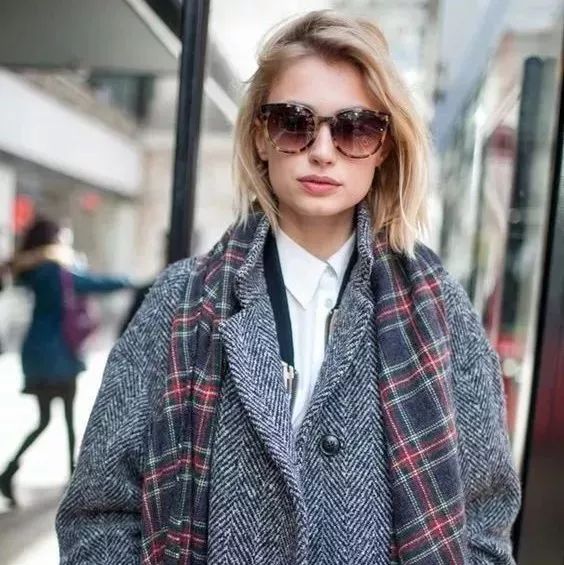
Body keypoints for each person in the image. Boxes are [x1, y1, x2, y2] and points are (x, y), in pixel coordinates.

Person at [56, 11, 521, 564]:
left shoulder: (439, 311)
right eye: (294, 123)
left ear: (384, 148)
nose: (322, 150)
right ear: (261, 136)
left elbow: (484, 521)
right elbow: (100, 512)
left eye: (354, 128)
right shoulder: (181, 301)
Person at [0, 216, 132, 507]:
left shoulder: (29, 268)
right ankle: (73, 479)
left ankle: (10, 471)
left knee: (45, 419)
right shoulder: (58, 269)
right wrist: (128, 281)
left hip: (36, 353)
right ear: (54, 238)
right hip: (59, 354)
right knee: (69, 419)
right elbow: (92, 283)